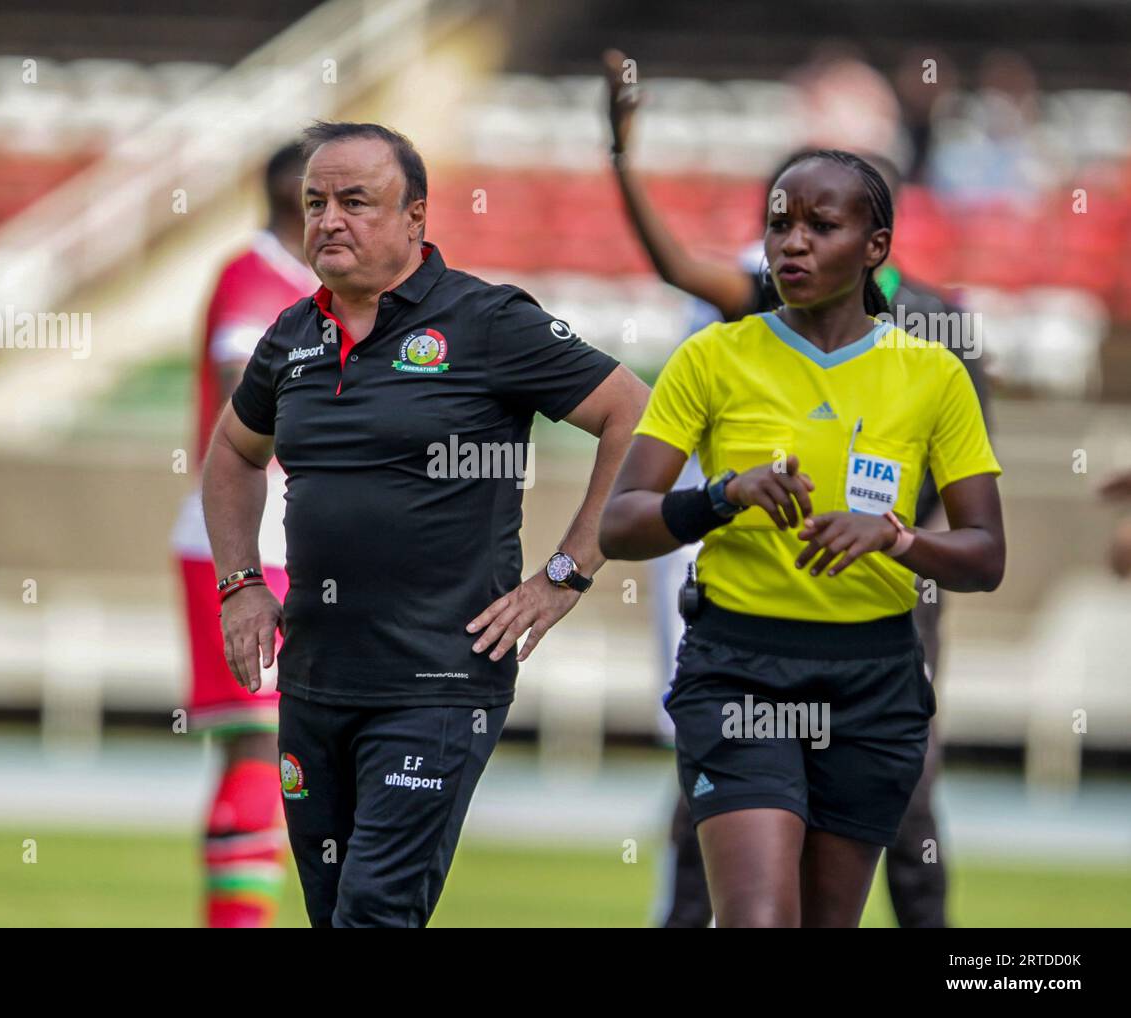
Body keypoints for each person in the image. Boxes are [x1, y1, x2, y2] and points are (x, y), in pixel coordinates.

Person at [201, 121, 648, 927]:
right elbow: (231, 453)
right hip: (314, 677)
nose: (329, 219)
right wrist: (239, 583)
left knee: (375, 911)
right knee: (335, 910)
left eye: (355, 201)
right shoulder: (292, 337)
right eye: (315, 202)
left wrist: (565, 575)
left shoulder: (488, 322)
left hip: (439, 681)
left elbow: (634, 414)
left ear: (416, 217)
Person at [603, 49, 992, 927]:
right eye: (782, 223)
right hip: (739, 653)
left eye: (824, 223)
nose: (792, 242)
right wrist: (624, 155)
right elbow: (675, 269)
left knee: (913, 810)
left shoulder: (937, 339)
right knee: (733, 867)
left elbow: (980, 534)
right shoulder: (739, 328)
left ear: (876, 237)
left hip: (886, 630)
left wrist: (890, 538)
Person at [170, 140, 315, 927]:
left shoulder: (300, 287)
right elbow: (244, 415)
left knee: (284, 754)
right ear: (304, 198)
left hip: (289, 545)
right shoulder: (252, 281)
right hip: (244, 544)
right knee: (262, 748)